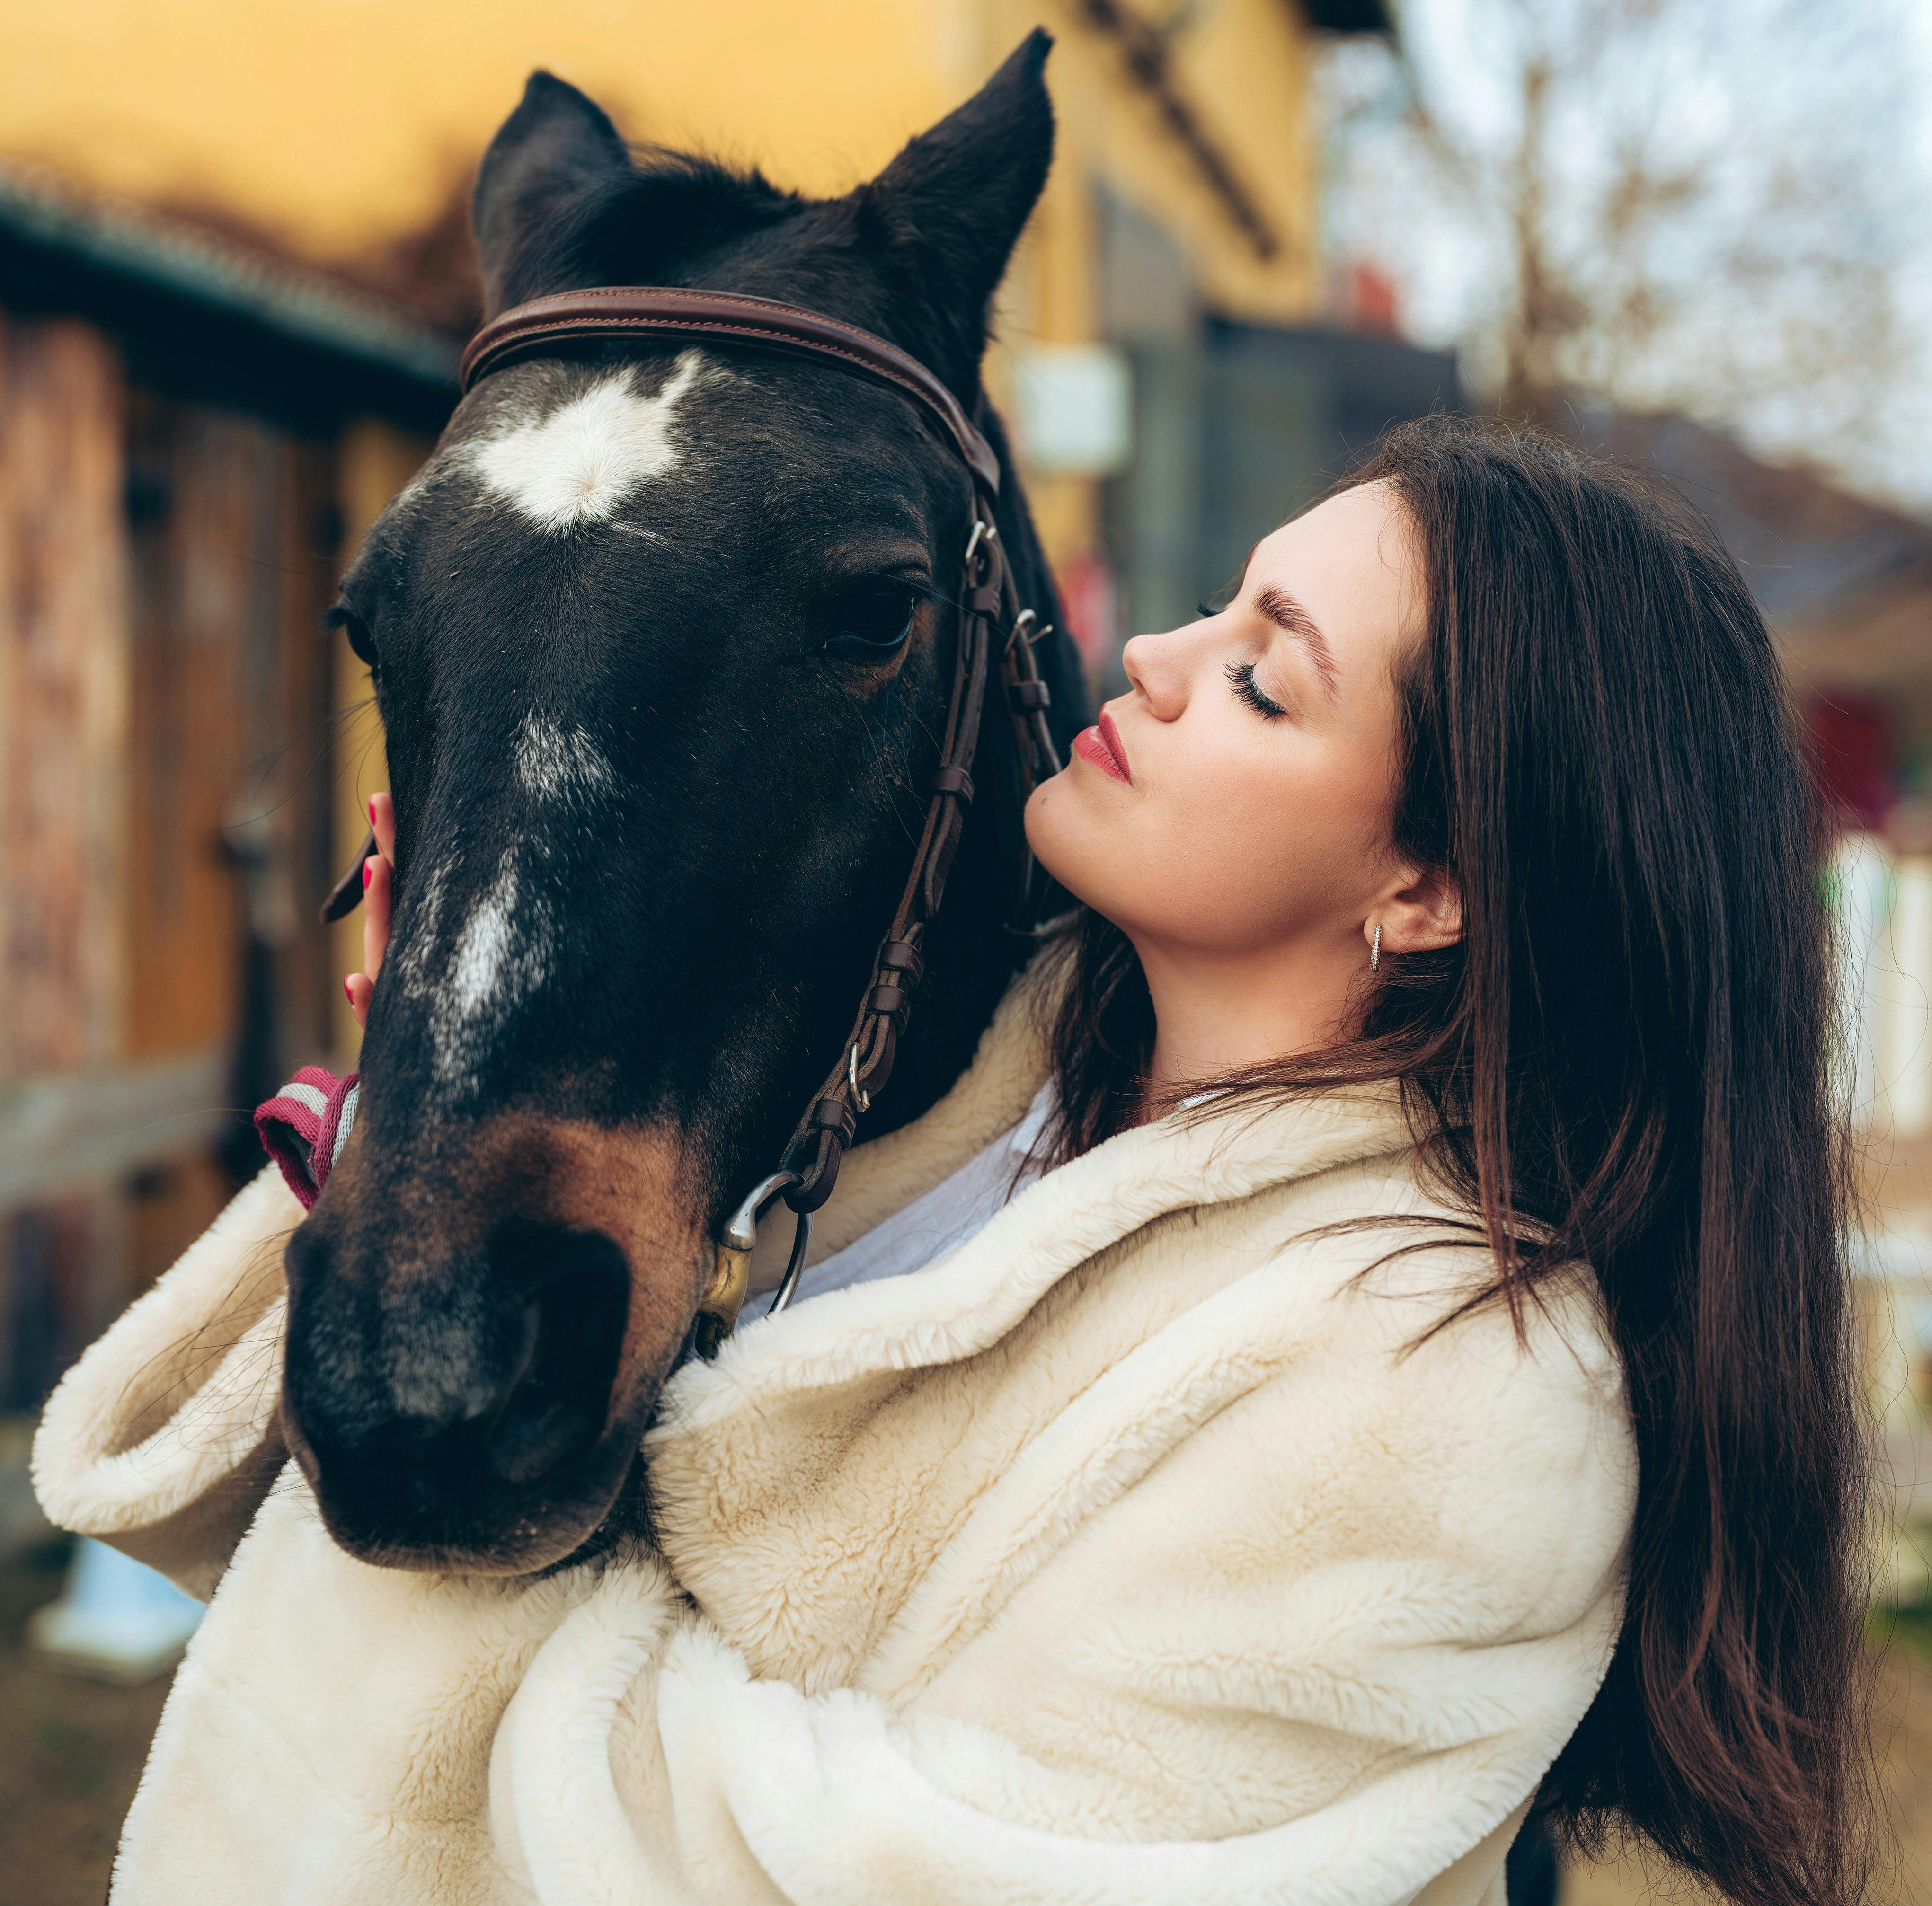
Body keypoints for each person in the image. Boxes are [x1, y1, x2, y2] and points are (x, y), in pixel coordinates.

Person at [34, 415, 1867, 1906]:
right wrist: (442, 1134)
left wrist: (499, 1528)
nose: (1151, 654)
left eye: (1262, 680)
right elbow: (333, 1511)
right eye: (1220, 609)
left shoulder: (1455, 1385)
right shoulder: (937, 1103)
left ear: (1430, 889)